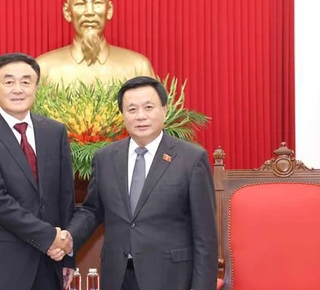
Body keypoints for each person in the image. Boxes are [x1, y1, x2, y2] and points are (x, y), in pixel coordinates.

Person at [50, 76, 218, 290]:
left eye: (148, 107)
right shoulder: (105, 158)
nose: (141, 116)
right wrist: (69, 237)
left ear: (164, 111)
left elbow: (205, 235)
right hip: (118, 275)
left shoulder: (191, 159)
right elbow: (93, 210)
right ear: (122, 115)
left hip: (171, 277)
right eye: (132, 109)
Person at [0, 52, 75, 290]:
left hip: (50, 261)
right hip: (2, 262)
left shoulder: (54, 132)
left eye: (26, 81)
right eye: (9, 81)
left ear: (36, 87)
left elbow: (66, 197)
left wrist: (67, 255)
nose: (18, 89)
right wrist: (50, 238)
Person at [36, 0, 155, 85]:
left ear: (109, 10)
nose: (89, 12)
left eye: (97, 3)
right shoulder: (44, 69)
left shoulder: (138, 67)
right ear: (67, 12)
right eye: (80, 4)